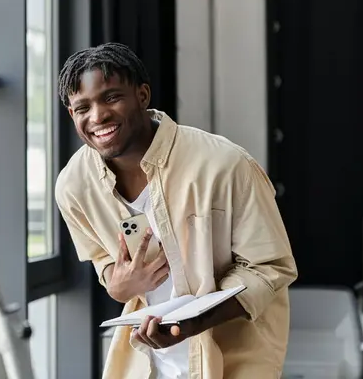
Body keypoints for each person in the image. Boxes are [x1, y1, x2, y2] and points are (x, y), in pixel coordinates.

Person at [54, 42, 298, 379]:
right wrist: (118, 284)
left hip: (232, 362)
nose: (98, 116)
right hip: (145, 364)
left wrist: (195, 322)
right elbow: (104, 265)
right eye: (83, 107)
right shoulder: (73, 186)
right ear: (72, 114)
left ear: (142, 95)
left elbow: (270, 267)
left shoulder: (226, 164)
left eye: (111, 97)